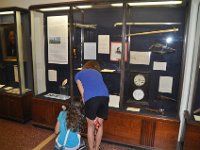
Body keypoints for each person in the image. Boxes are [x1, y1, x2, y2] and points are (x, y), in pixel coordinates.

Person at [75, 60, 109, 150]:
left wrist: (87, 107)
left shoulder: (79, 74)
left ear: (85, 66)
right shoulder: (98, 73)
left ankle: (91, 149)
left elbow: (83, 94)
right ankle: (97, 148)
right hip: (105, 97)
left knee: (90, 126)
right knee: (99, 125)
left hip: (91, 98)